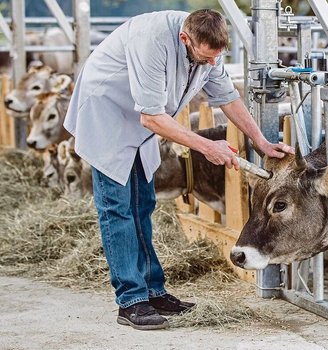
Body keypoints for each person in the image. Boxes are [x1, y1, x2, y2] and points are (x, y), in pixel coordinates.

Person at [64, 9, 293, 330]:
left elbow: (227, 96)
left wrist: (261, 142)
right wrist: (207, 147)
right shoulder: (152, 42)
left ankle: (153, 292)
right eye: (205, 58)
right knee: (117, 209)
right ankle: (130, 300)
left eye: (217, 57)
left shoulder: (207, 45)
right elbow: (151, 117)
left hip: (140, 118)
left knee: (143, 203)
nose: (212, 64)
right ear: (185, 39)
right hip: (107, 112)